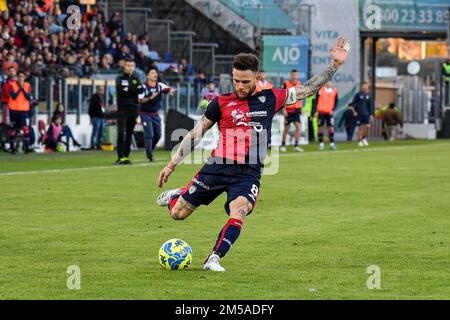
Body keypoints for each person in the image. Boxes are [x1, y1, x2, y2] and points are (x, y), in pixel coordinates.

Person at [156, 37, 350, 272]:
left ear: (257, 78)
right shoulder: (220, 102)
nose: (239, 86)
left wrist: (335, 65)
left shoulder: (271, 98)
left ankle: (214, 257)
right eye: (236, 80)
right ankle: (178, 194)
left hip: (248, 173)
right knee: (178, 215)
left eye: (245, 82)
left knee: (240, 210)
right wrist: (171, 165)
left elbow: (308, 89)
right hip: (217, 166)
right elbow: (197, 133)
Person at [139, 67, 175, 162]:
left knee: (158, 135)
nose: (155, 75)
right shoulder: (143, 87)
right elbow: (140, 100)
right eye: (152, 73)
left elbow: (169, 89)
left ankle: (149, 149)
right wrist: (150, 98)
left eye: (155, 73)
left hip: (155, 114)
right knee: (149, 134)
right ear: (147, 76)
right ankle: (149, 155)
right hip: (145, 113)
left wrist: (171, 91)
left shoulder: (159, 86)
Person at [115, 57, 144, 165]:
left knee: (129, 134)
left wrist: (129, 89)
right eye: (128, 65)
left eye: (132, 66)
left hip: (134, 109)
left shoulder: (136, 78)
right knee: (121, 132)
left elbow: (141, 89)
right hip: (122, 109)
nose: (130, 67)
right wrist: (134, 89)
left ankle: (126, 157)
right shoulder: (119, 78)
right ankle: (120, 157)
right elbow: (120, 91)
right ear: (124, 66)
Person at [8, 70, 32, 154]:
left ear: (25, 77)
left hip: (24, 111)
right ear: (17, 77)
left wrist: (23, 89)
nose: (21, 78)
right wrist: (19, 89)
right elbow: (13, 96)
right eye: (19, 76)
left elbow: (28, 97)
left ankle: (26, 147)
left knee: (25, 129)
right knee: (13, 129)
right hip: (14, 110)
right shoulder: (11, 85)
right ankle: (12, 148)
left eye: (22, 76)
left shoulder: (27, 85)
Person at [281, 69, 304, 152]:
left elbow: (300, 96)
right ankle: (283, 144)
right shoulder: (286, 84)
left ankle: (296, 145)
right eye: (293, 75)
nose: (294, 77)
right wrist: (283, 109)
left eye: (296, 75)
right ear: (290, 75)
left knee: (298, 126)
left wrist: (301, 108)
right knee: (286, 128)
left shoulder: (299, 84)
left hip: (297, 109)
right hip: (288, 109)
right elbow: (282, 97)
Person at [313, 81, 339, 150]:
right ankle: (321, 144)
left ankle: (332, 143)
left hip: (329, 113)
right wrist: (315, 111)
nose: (328, 84)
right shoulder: (320, 90)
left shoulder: (334, 91)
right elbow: (315, 101)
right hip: (321, 112)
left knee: (331, 127)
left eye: (330, 82)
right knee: (320, 127)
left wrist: (332, 110)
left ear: (331, 83)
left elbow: (336, 101)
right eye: (327, 82)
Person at [352, 82, 373, 147]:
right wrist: (354, 112)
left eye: (366, 86)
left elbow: (370, 106)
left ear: (367, 87)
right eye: (363, 86)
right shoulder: (358, 95)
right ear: (361, 87)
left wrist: (371, 114)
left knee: (368, 127)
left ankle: (363, 138)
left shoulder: (369, 95)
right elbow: (353, 104)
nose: (364, 87)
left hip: (366, 114)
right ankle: (360, 141)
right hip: (359, 114)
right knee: (360, 128)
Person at [88, 86, 106, 150]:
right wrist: (91, 116)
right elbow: (91, 109)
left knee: (101, 132)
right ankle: (93, 145)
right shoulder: (94, 97)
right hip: (96, 117)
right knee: (95, 132)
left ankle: (99, 145)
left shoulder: (102, 97)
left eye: (103, 90)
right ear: (97, 90)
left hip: (101, 117)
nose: (102, 91)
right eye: (100, 90)